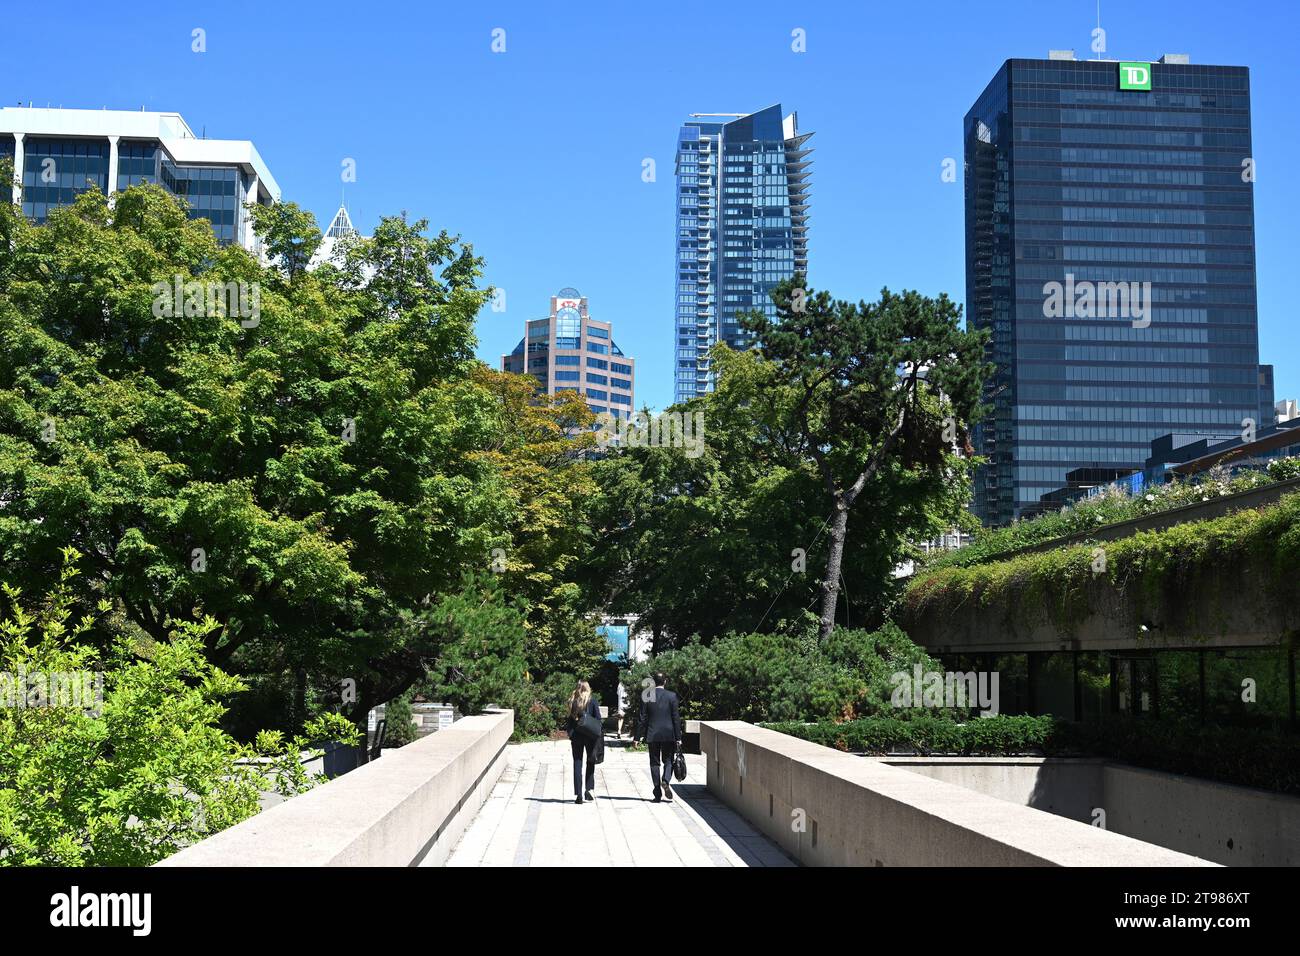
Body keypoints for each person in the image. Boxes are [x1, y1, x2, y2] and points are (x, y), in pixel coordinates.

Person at [637, 672, 681, 803]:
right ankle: (666, 780)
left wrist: (637, 737)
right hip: (669, 733)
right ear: (665, 681)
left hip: (653, 733)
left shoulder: (647, 695)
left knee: (654, 763)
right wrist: (678, 737)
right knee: (668, 760)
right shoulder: (672, 696)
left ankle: (657, 792)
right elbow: (676, 719)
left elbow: (642, 718)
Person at [566, 680, 603, 804]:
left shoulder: (572, 701)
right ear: (588, 688)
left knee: (577, 763)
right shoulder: (592, 701)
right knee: (590, 761)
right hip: (590, 736)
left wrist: (570, 734)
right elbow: (598, 719)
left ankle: (578, 794)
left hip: (576, 736)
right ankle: (589, 789)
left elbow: (569, 721)